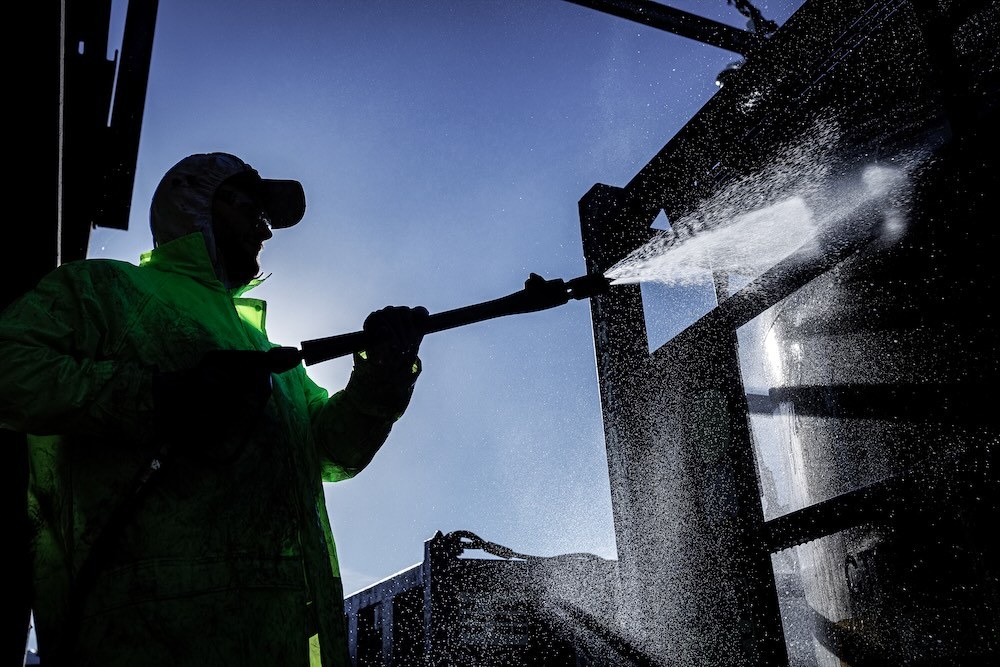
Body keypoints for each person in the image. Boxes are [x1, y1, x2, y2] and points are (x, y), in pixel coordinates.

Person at [0, 152, 427, 666]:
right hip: (138, 642)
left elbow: (334, 454)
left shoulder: (270, 359)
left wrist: (382, 374)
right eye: (254, 210)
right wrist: (156, 394)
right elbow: (9, 369)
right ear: (198, 203)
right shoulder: (107, 293)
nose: (265, 233)